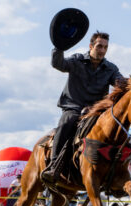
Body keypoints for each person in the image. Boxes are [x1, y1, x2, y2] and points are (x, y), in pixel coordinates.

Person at [42, 30, 124, 183]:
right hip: (73, 108)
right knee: (66, 122)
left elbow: (121, 83)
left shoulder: (111, 68)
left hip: (96, 112)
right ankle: (54, 166)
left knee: (115, 128)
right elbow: (58, 64)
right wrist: (59, 47)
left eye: (105, 48)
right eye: (99, 46)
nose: (102, 50)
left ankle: (117, 172)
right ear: (91, 46)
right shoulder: (77, 60)